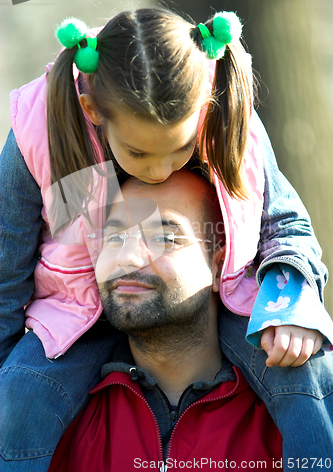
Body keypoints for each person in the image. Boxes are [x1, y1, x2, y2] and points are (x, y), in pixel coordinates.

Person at [0, 8, 332, 471]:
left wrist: (290, 304)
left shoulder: (227, 118)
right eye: (138, 152)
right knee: (17, 395)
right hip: (69, 312)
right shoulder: (42, 137)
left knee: (310, 374)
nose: (160, 170)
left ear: (203, 109)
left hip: (225, 296)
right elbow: (5, 267)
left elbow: (287, 226)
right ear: (93, 110)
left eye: (180, 148)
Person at [47, 170, 332, 472]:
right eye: (115, 237)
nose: (127, 257)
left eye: (165, 238)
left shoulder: (295, 425)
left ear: (219, 265)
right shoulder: (55, 426)